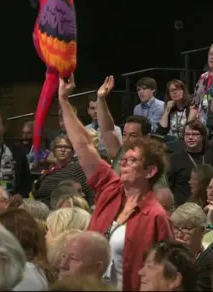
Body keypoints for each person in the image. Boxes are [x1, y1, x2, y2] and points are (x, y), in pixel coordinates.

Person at [57, 74, 173, 291]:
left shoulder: (156, 216)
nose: (124, 163)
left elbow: (165, 273)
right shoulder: (110, 188)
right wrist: (64, 100)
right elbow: (83, 146)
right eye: (124, 159)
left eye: (132, 160)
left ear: (150, 171)